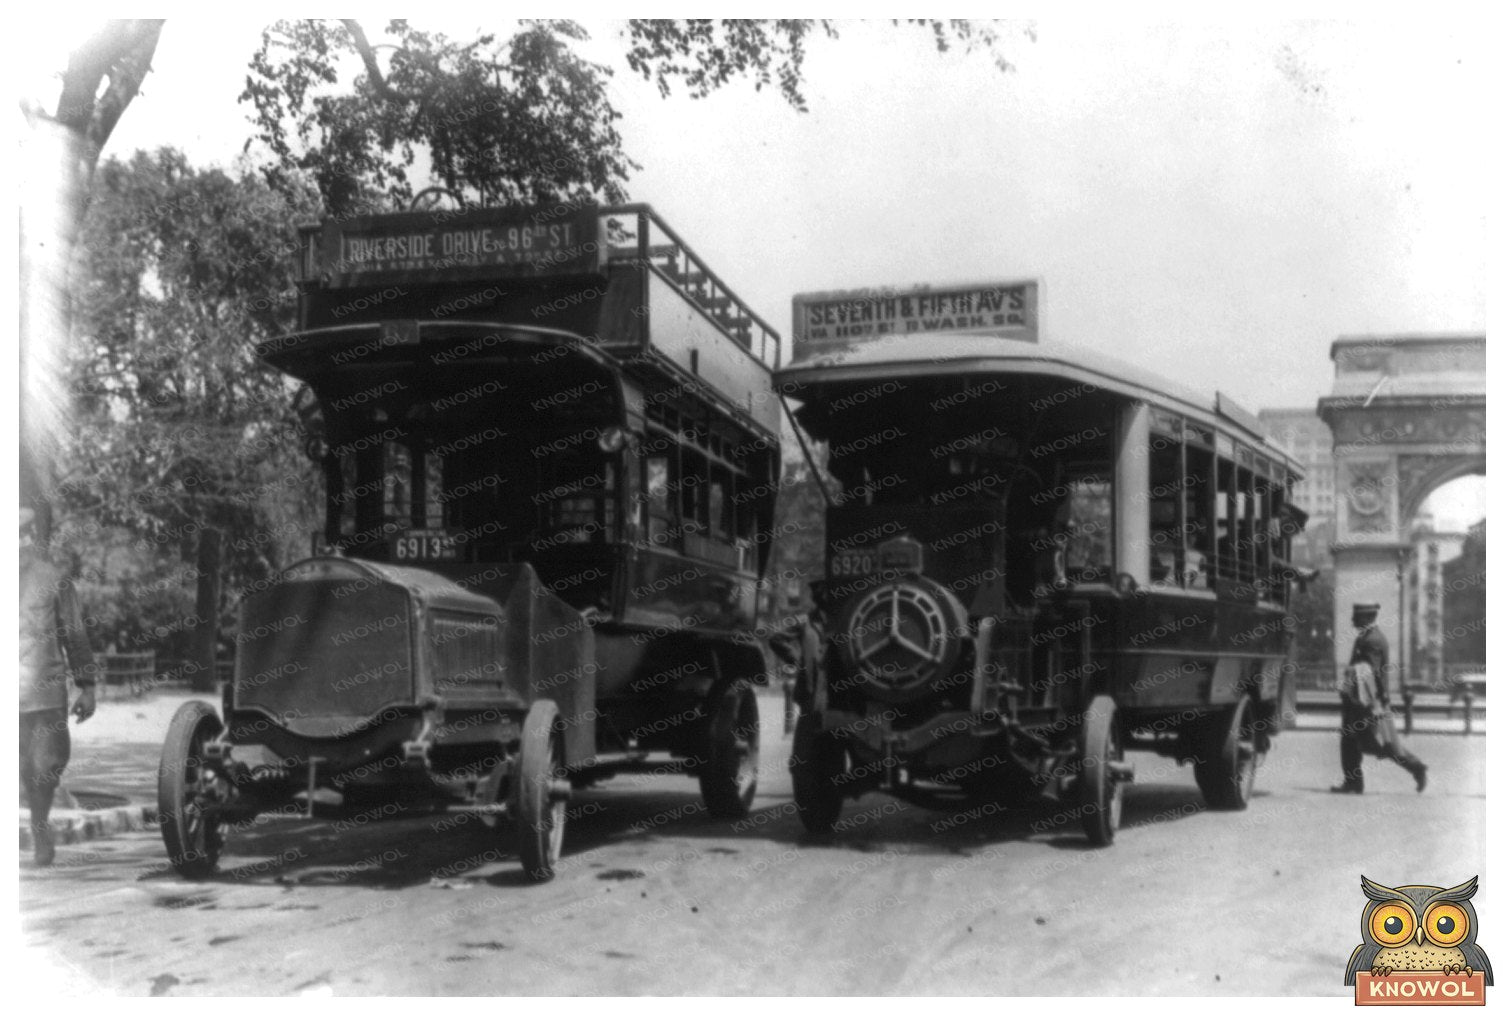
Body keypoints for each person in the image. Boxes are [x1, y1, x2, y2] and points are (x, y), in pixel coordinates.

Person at [19, 505, 98, 866]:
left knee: (43, 769)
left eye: (23, 534)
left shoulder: (54, 580)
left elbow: (74, 633)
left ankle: (39, 826)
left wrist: (87, 686)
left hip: (43, 695)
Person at [1331, 602, 1426, 795]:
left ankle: (1416, 767)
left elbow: (1370, 672)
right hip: (1360, 700)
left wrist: (1351, 679)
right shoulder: (1367, 637)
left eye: (1356, 617)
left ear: (1367, 618)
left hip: (1365, 702)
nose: (1352, 620)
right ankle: (1353, 782)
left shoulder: (1371, 640)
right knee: (1352, 741)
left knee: (1375, 744)